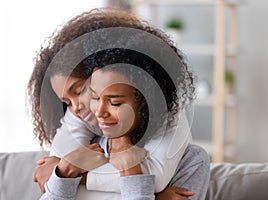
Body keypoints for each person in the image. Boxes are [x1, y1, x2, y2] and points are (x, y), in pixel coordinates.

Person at [28, 8, 210, 200]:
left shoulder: (191, 160)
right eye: (66, 102)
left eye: (114, 101)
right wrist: (65, 169)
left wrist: (73, 174)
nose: (77, 108)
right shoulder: (87, 147)